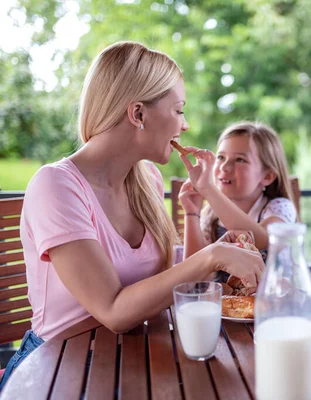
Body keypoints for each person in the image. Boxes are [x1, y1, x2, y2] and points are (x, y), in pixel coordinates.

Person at [0, 42, 264, 390]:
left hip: (140, 351)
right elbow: (114, 311)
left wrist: (218, 252)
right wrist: (211, 257)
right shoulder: (56, 186)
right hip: (60, 366)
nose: (184, 126)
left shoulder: (147, 180)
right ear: (138, 114)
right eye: (179, 110)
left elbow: (155, 279)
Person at [178, 121, 297, 261]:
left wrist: (208, 189)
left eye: (240, 160)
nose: (225, 167)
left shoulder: (280, 208)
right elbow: (194, 273)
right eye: (221, 157)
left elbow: (262, 240)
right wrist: (192, 214)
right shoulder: (210, 214)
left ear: (267, 176)